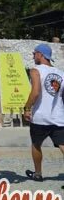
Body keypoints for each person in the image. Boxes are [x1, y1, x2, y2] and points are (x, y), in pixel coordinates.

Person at [23, 43, 64, 183]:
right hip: (58, 116)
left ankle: (38, 173)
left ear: (40, 54)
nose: (33, 56)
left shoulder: (36, 70)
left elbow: (35, 92)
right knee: (63, 145)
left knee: (36, 144)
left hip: (40, 117)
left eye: (34, 53)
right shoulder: (61, 73)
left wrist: (27, 108)